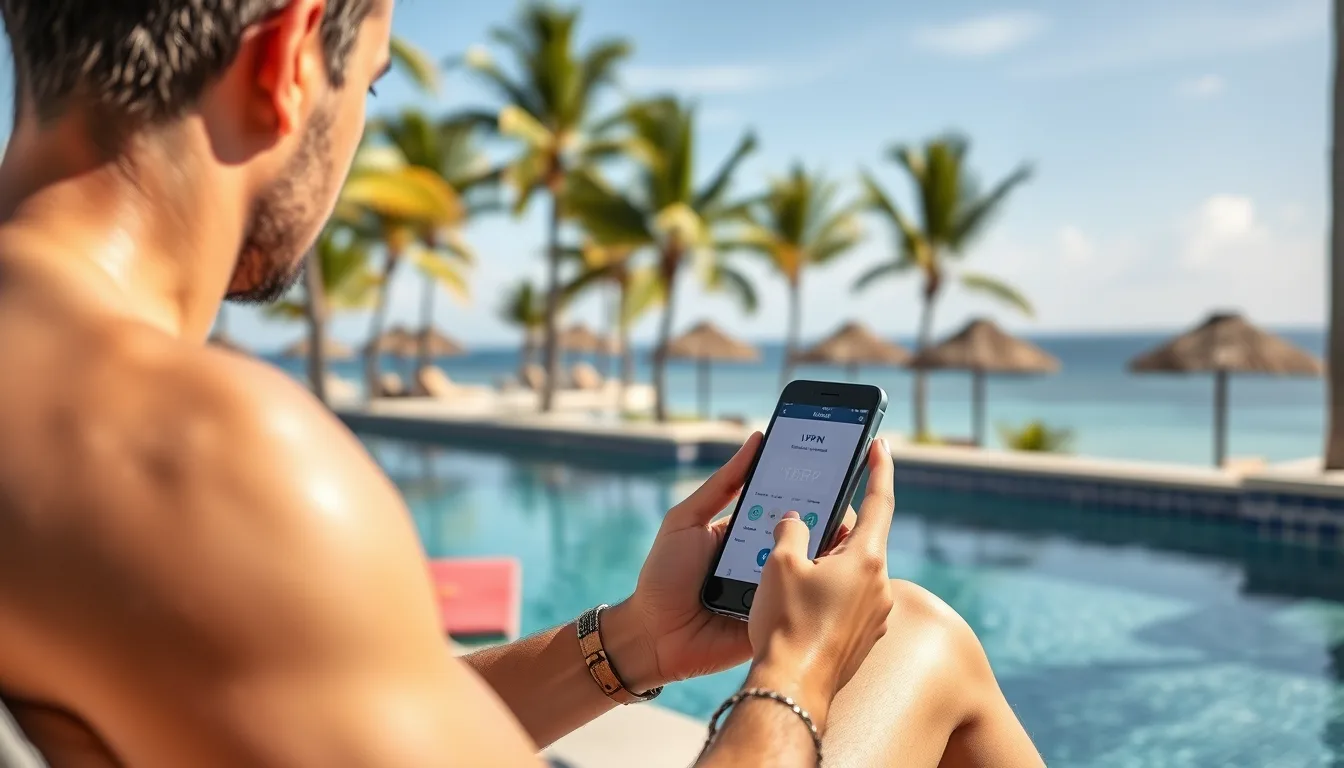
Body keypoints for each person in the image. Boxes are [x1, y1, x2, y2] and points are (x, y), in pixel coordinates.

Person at [0, 1, 1044, 766]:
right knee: (918, 638)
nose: (359, 131)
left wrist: (635, 642)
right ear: (284, 59)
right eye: (371, 82)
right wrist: (795, 678)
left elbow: (335, 694)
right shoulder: (197, 454)